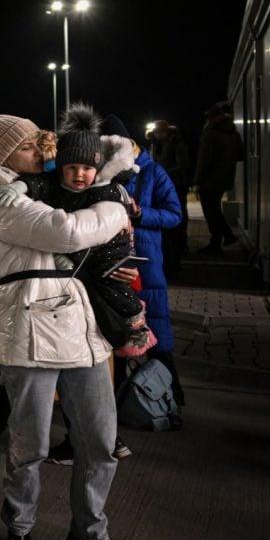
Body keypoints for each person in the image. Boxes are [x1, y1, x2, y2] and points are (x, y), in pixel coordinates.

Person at [0, 114, 137, 540]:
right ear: (5, 155)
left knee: (100, 440)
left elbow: (84, 242)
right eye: (28, 148)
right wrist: (117, 206)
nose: (42, 153)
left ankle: (90, 535)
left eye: (41, 144)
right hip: (27, 326)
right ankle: (18, 531)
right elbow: (69, 232)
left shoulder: (39, 188)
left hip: (81, 326)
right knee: (30, 444)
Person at [0, 105, 151, 356]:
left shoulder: (105, 190)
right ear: (61, 169)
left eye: (87, 169)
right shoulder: (53, 186)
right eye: (71, 168)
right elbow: (41, 184)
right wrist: (19, 188)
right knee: (100, 299)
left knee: (114, 292)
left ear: (98, 170)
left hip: (107, 256)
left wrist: (74, 257)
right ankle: (122, 335)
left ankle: (135, 326)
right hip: (68, 281)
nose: (79, 174)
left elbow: (94, 233)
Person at [101, 115, 185, 406]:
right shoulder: (102, 171)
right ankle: (117, 402)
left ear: (129, 144)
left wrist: (141, 214)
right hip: (110, 263)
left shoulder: (152, 171)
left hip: (146, 263)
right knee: (116, 334)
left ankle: (169, 398)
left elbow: (174, 215)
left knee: (156, 330)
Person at [194, 101, 244, 255]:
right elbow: (240, 155)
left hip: (210, 180)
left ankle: (220, 240)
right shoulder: (233, 133)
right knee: (215, 210)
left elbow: (204, 161)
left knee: (211, 212)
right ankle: (224, 238)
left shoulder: (210, 134)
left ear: (211, 118)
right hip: (225, 177)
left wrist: (197, 181)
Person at [151, 120, 190, 268]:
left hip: (177, 184)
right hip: (165, 185)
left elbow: (183, 165)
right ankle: (174, 248)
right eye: (155, 132)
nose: (157, 135)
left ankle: (180, 245)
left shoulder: (177, 144)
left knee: (178, 215)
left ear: (167, 132)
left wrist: (163, 172)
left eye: (159, 132)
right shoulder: (159, 145)